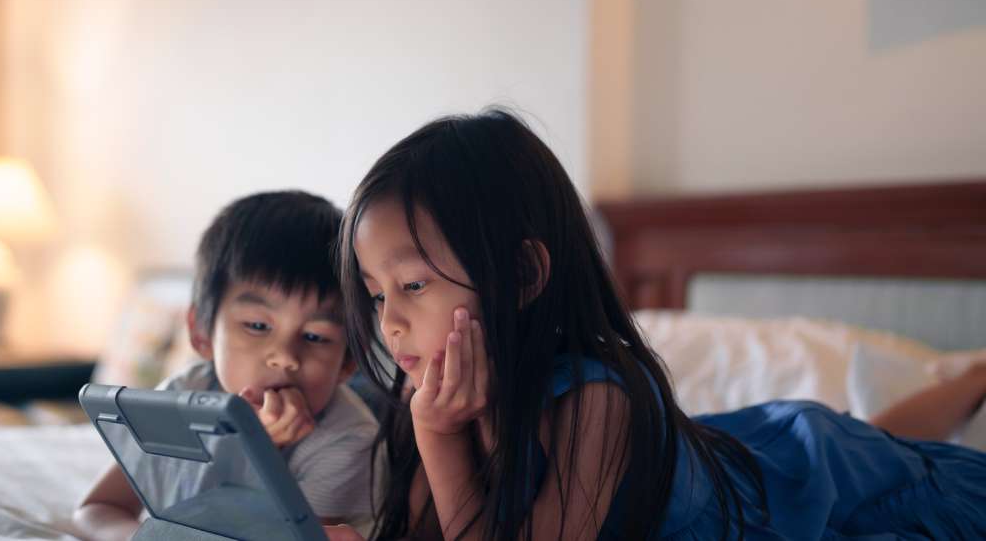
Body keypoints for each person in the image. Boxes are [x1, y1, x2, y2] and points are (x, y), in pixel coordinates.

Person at [325, 109, 986, 540]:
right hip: (738, 456)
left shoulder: (598, 398)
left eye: (413, 286)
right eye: (378, 295)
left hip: (788, 483)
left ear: (524, 277)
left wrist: (441, 441)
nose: (393, 324)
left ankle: (974, 373)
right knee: (878, 439)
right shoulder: (432, 396)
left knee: (892, 470)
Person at [74, 191, 379, 541]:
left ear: (347, 362)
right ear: (202, 334)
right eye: (258, 326)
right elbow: (96, 509)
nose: (284, 356)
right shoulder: (185, 393)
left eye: (315, 336)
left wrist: (257, 452)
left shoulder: (346, 440)